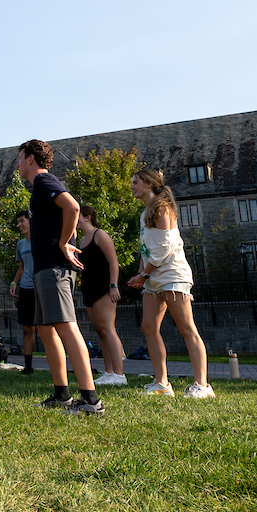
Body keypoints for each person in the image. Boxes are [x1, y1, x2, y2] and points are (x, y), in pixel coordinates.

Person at [16, 139, 104, 416]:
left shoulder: (43, 180)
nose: (17, 164)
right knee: (46, 329)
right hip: (44, 268)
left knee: (66, 327)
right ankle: (62, 395)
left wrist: (65, 242)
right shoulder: (39, 187)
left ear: (31, 158)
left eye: (19, 158)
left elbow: (73, 207)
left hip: (55, 267)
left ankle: (91, 401)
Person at [127, 169, 214, 398]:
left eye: (135, 182)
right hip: (152, 278)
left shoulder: (162, 208)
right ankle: (162, 384)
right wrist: (140, 274)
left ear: (148, 184)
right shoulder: (145, 212)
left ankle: (203, 386)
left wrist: (143, 275)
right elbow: (147, 249)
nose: (132, 186)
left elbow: (165, 248)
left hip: (173, 275)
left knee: (186, 328)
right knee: (149, 327)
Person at [78, 205, 127, 386]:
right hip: (89, 289)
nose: (74, 220)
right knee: (100, 331)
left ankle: (119, 375)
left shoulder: (100, 234)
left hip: (104, 288)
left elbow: (113, 261)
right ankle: (108, 372)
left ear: (88, 217)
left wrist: (113, 286)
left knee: (108, 329)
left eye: (77, 216)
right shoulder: (81, 240)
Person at [9, 211, 39, 375]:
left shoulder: (40, 240)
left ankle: (59, 365)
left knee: (46, 328)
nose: (19, 225)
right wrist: (15, 282)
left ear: (30, 221)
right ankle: (28, 367)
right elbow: (21, 268)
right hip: (26, 289)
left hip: (41, 288)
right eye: (18, 222)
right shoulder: (20, 245)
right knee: (27, 328)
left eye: (22, 221)